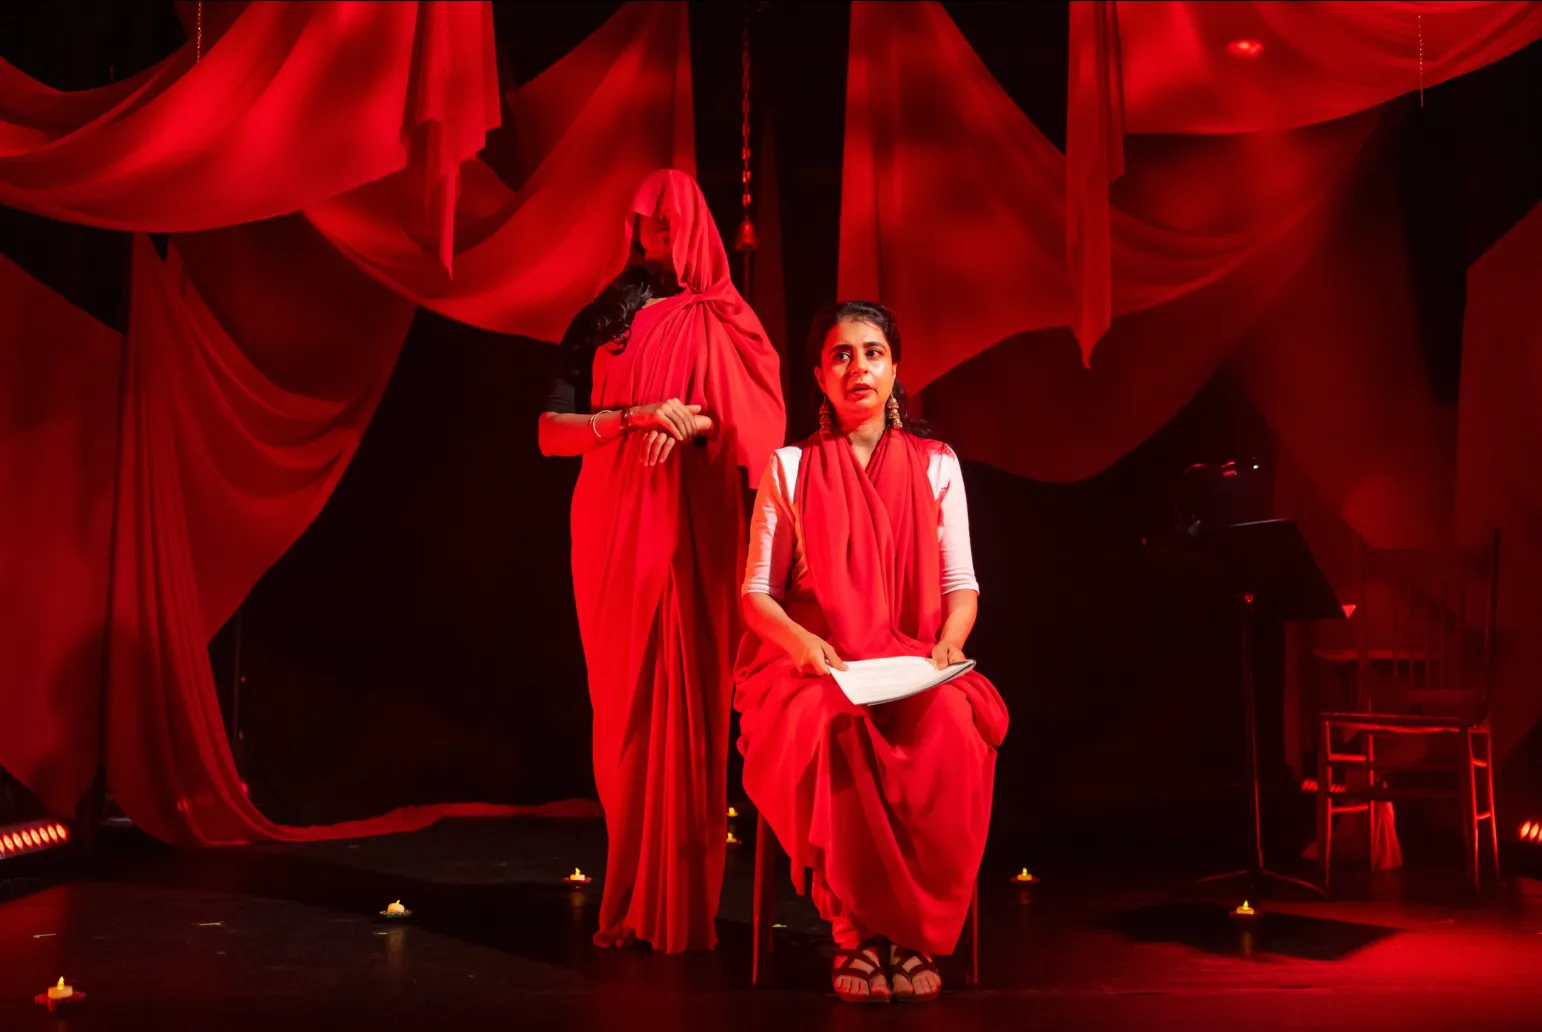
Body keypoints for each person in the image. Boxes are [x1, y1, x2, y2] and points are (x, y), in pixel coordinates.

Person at [539, 169, 785, 953]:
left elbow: (761, 424)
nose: (657, 241)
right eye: (648, 226)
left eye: (672, 225)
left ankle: (681, 903)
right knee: (622, 708)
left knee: (691, 702)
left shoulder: (728, 320)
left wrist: (693, 419)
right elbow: (550, 430)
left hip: (695, 526)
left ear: (700, 229)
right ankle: (625, 893)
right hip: (612, 522)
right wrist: (632, 415)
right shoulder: (603, 314)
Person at [734, 300, 1008, 1002]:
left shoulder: (937, 465)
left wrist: (949, 645)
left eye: (873, 352)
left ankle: (912, 934)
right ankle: (856, 933)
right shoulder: (791, 468)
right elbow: (756, 593)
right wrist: (803, 645)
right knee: (840, 727)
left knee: (951, 722)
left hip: (913, 659)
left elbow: (961, 585)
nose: (858, 366)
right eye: (841, 355)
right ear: (820, 378)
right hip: (811, 667)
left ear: (896, 370)